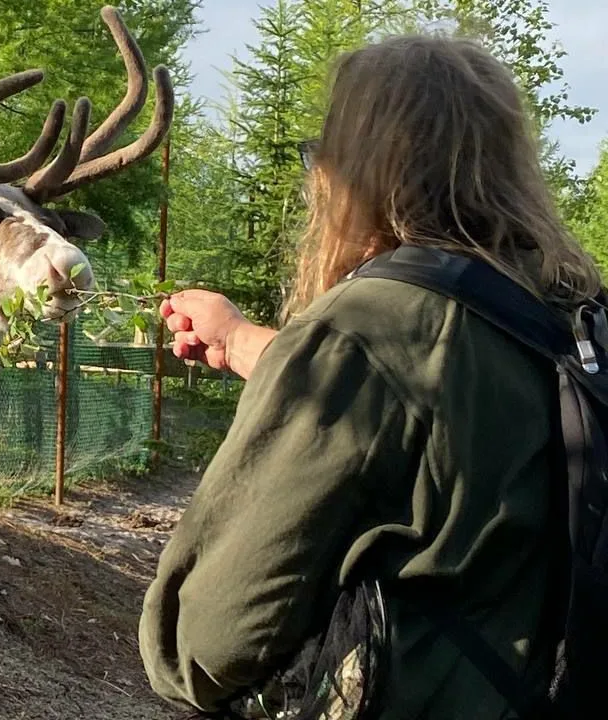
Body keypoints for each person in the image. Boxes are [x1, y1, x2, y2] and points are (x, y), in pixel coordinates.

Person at [137, 34, 603, 720]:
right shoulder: (571, 311)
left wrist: (305, 363)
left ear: (357, 173)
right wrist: (242, 342)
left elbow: (206, 646)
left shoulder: (363, 328)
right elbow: (442, 414)